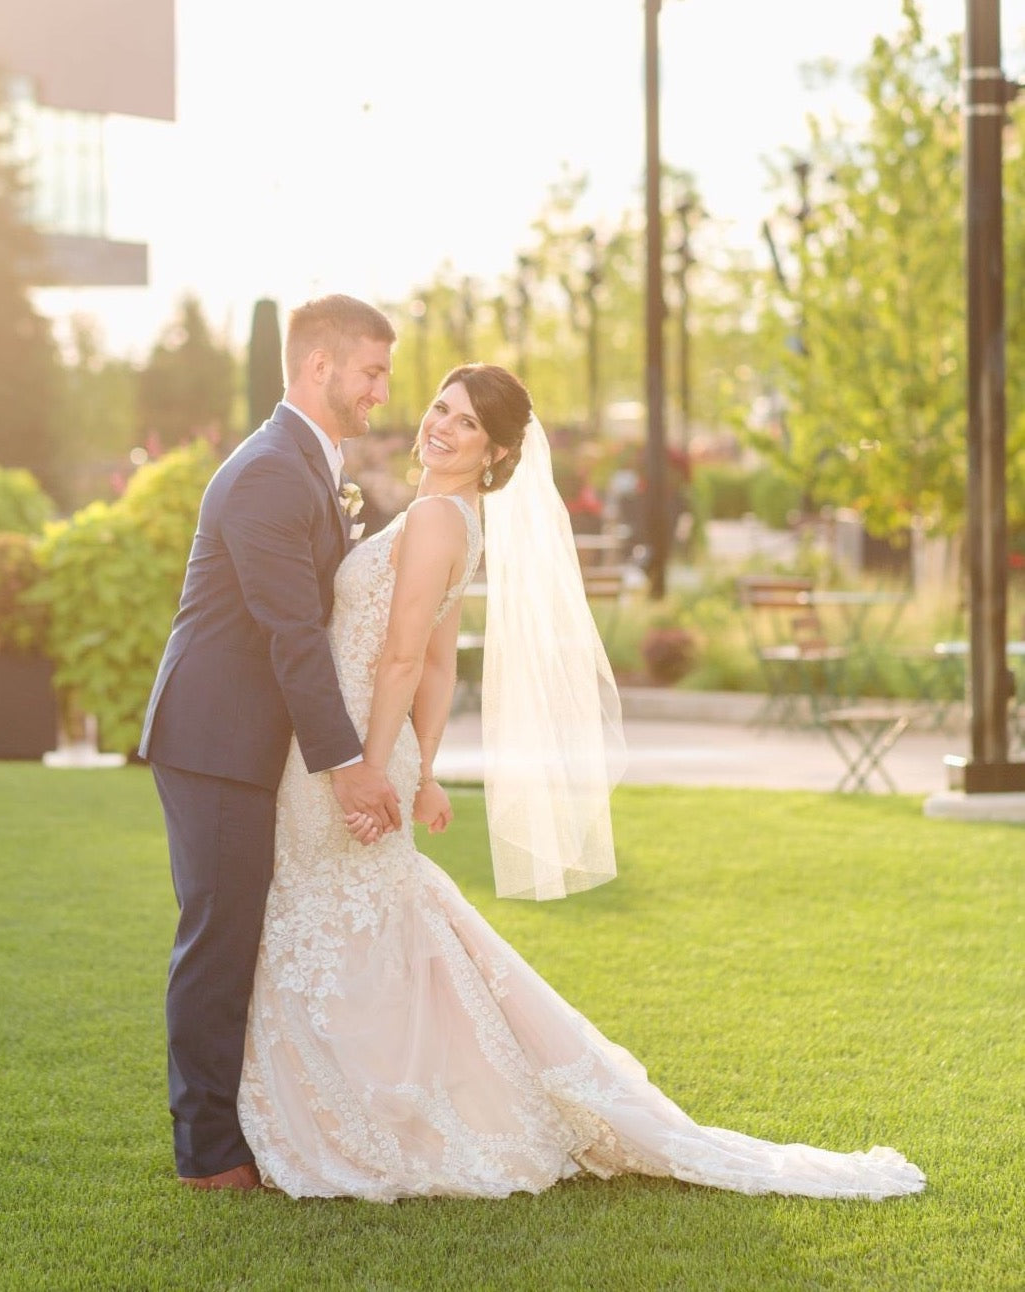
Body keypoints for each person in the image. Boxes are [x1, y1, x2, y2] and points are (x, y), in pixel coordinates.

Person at [236, 364, 925, 1202]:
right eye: (440, 408)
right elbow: (446, 664)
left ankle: (369, 1114)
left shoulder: (431, 520)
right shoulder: (462, 519)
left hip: (349, 753)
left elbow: (409, 658)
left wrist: (374, 768)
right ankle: (379, 1097)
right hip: (368, 750)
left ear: (493, 451)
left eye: (465, 425)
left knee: (337, 916)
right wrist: (424, 772)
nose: (440, 427)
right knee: (368, 923)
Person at [141, 293, 400, 1191]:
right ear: (319, 366)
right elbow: (292, 632)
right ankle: (207, 1153)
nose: (381, 392)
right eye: (370, 372)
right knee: (218, 935)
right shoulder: (266, 473)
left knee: (246, 930)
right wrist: (346, 767)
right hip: (213, 738)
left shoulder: (307, 465)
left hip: (250, 739)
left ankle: (244, 1123)